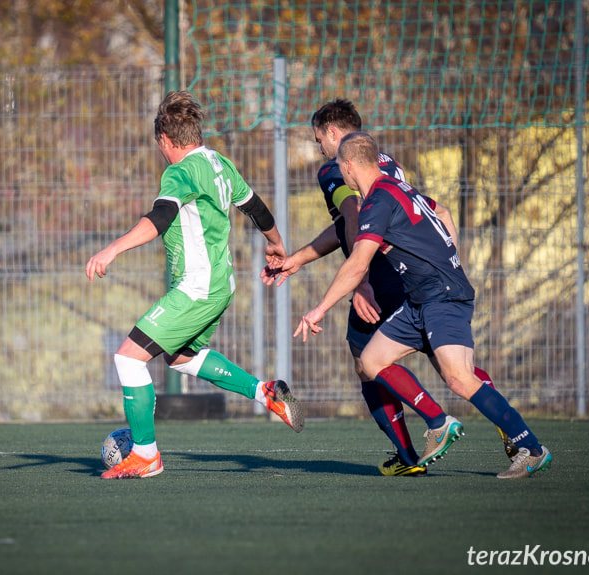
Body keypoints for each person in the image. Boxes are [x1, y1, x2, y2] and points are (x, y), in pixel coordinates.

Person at [263, 99, 515, 476]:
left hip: (379, 273)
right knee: (451, 364)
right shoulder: (386, 162)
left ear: (334, 134)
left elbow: (352, 218)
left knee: (366, 359)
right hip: (416, 273)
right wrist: (300, 258)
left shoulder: (335, 170)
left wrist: (361, 283)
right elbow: (425, 214)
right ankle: (512, 432)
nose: (319, 149)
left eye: (318, 140)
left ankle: (413, 452)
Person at [86, 90, 303, 479]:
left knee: (127, 358)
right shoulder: (219, 163)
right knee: (181, 357)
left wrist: (112, 249)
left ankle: (146, 455)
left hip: (197, 286)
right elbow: (254, 207)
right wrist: (276, 242)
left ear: (166, 140)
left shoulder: (179, 170)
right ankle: (264, 392)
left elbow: (161, 216)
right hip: (221, 285)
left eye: (160, 146)